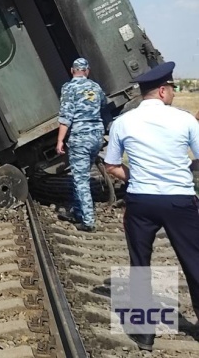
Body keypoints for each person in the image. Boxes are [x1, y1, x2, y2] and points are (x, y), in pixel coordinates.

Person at [104, 61, 199, 352]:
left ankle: (144, 334)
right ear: (161, 91)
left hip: (141, 201)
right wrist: (186, 168)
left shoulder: (122, 123)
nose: (172, 93)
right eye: (170, 89)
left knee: (140, 264)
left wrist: (137, 177)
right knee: (194, 262)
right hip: (179, 200)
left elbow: (111, 166)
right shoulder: (185, 120)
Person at [55, 57, 106, 231]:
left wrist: (60, 140)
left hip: (80, 136)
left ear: (72, 70)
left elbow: (66, 116)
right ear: (87, 71)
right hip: (97, 135)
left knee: (80, 178)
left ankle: (88, 221)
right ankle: (77, 212)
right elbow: (103, 103)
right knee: (81, 174)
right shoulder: (96, 87)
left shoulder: (69, 88)